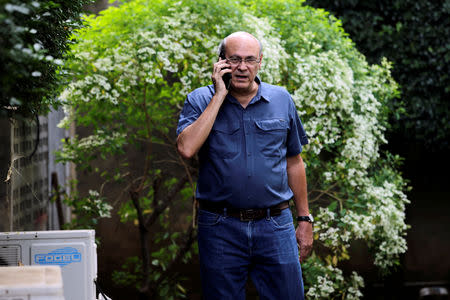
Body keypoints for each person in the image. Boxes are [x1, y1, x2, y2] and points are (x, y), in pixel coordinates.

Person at [176, 31, 313, 300]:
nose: (242, 67)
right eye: (234, 59)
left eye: (250, 59)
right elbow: (187, 148)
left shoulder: (282, 100)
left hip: (275, 226)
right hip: (220, 226)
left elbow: (294, 161)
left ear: (260, 62)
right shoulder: (200, 100)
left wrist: (305, 218)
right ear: (220, 62)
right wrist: (219, 95)